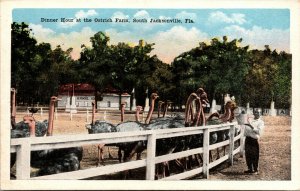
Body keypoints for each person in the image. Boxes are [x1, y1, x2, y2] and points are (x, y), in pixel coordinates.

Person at [243, 110, 265, 175]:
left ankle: (255, 170)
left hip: (254, 140)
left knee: (254, 155)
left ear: (260, 114)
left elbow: (259, 132)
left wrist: (251, 126)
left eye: (259, 112)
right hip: (248, 139)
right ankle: (250, 168)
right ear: (254, 113)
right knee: (248, 154)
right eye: (256, 112)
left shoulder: (261, 122)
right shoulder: (250, 120)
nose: (258, 113)